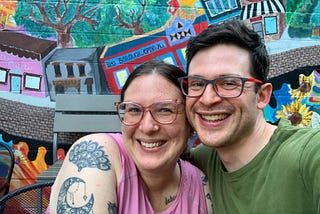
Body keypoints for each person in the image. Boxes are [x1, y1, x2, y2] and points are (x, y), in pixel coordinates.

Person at [178, 19, 320, 213]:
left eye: (228, 83)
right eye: (197, 84)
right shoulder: (197, 164)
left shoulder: (309, 155)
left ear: (262, 96)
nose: (207, 99)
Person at [49, 60, 213, 213]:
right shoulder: (94, 154)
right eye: (134, 110)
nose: (148, 127)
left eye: (165, 110)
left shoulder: (201, 187)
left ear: (190, 125)